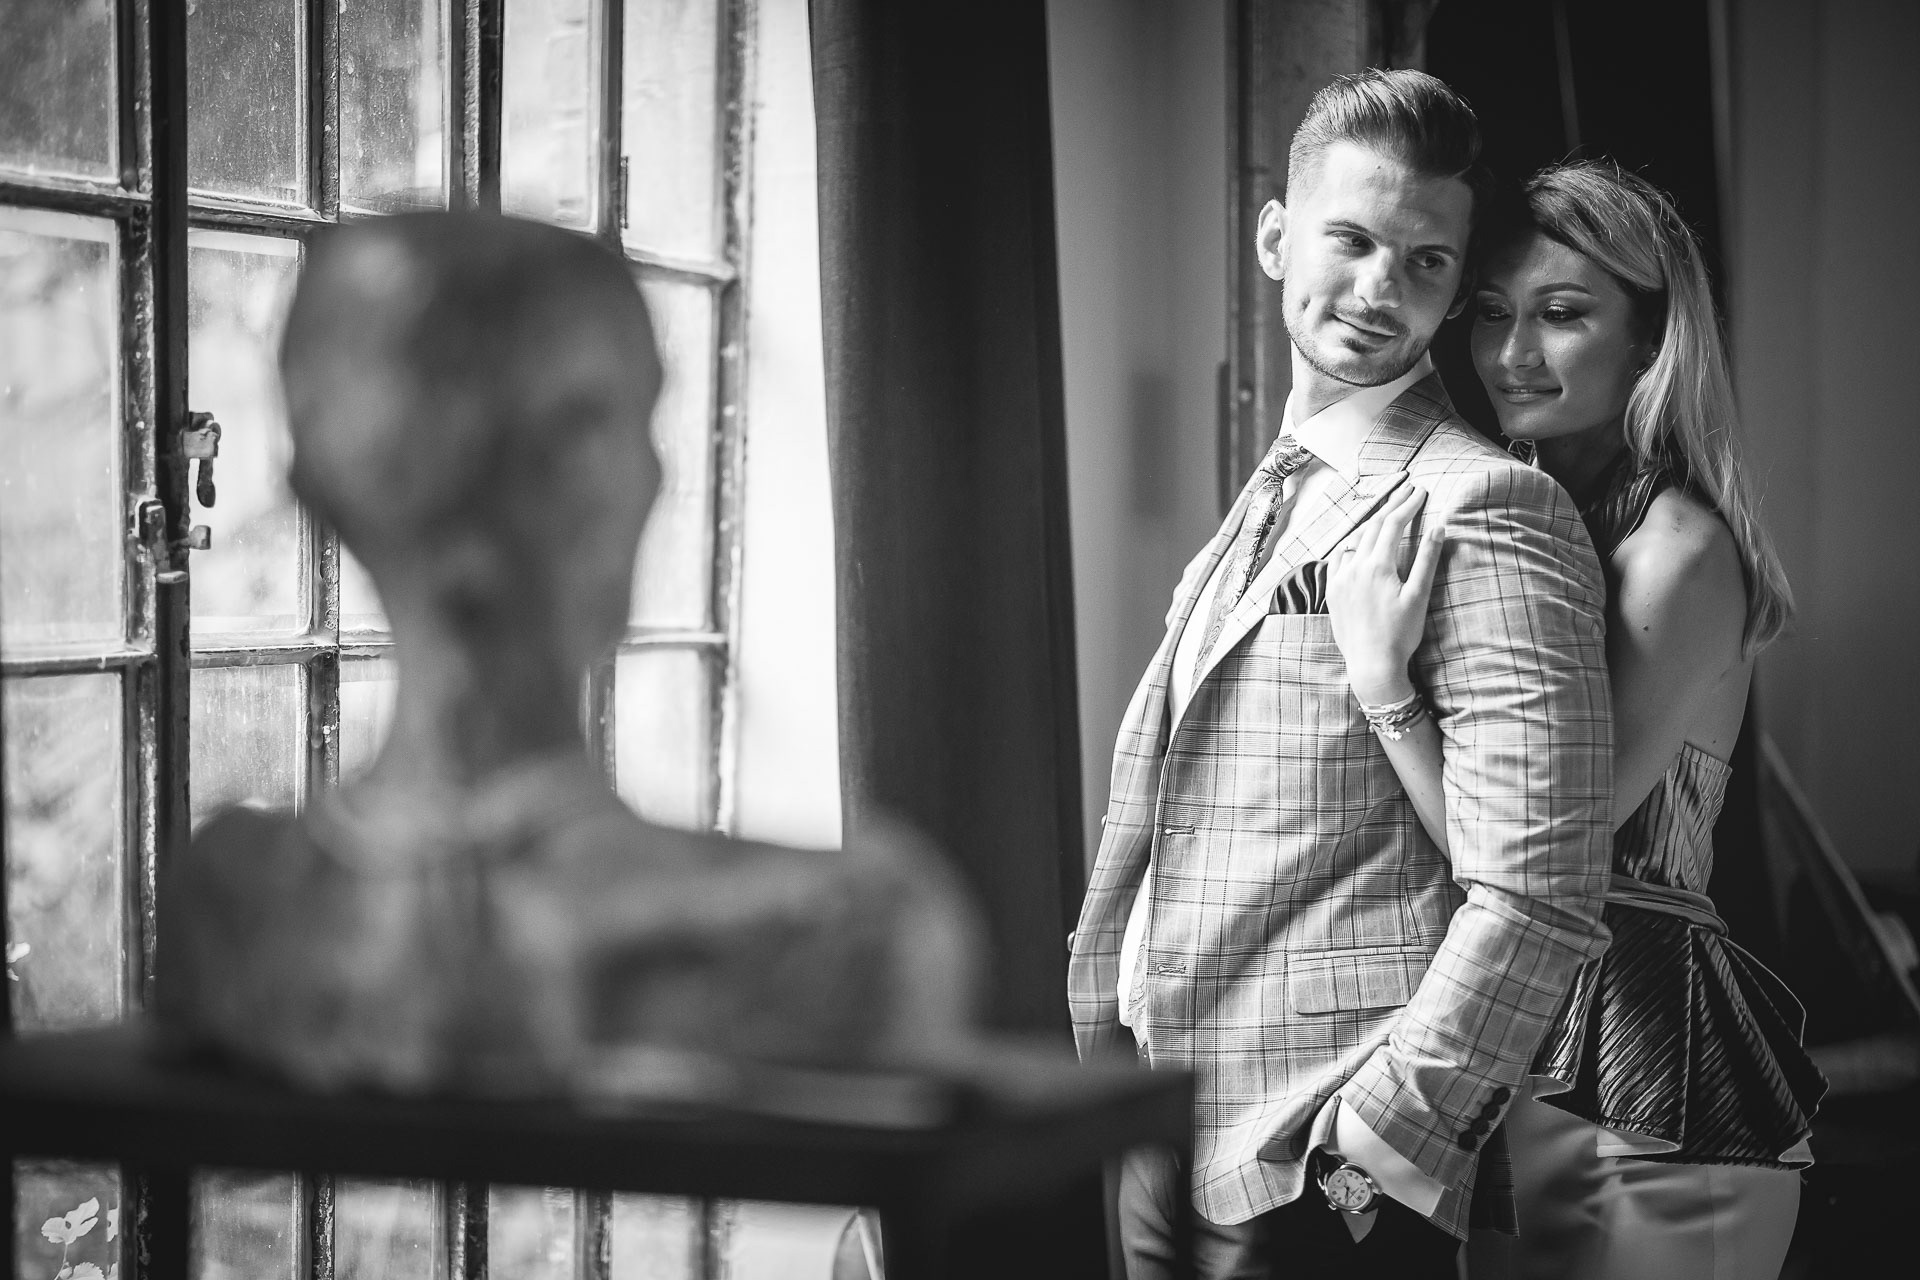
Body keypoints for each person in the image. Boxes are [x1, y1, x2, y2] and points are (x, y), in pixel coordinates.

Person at [158, 213, 981, 1098]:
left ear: (316, 492)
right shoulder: (840, 928)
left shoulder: (237, 903)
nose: (655, 473)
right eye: (602, 423)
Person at [1065, 70, 1616, 1279]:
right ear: (1277, 238)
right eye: (1352, 240)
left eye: (1426, 262)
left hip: (1320, 1159)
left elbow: (1542, 892)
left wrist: (1374, 1150)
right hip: (1160, 1118)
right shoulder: (1273, 490)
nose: (1378, 288)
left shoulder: (1486, 504)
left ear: (1454, 288)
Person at [1325, 161, 1826, 1279]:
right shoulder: (1519, 520)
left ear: (1650, 340)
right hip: (1508, 1059)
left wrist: (1385, 683)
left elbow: (1541, 857)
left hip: (1654, 1088)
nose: (1512, 352)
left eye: (1560, 314)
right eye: (1490, 312)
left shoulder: (1679, 551)